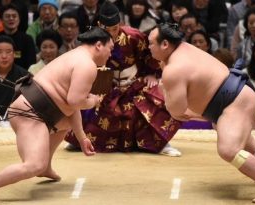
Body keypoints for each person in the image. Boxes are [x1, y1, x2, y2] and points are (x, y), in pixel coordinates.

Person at [0, 27, 113, 204]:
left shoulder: (75, 55)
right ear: (99, 45)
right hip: (29, 113)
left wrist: (82, 138)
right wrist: (93, 101)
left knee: (65, 123)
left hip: (40, 111)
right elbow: (75, 101)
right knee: (32, 165)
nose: (110, 54)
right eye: (110, 49)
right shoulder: (87, 65)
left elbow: (70, 108)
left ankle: (46, 167)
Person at [148, 23, 255, 203]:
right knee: (227, 126)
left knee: (228, 150)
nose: (148, 47)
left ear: (165, 44)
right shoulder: (185, 48)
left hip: (236, 101)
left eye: (151, 43)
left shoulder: (174, 69)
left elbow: (177, 110)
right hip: (236, 96)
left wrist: (165, 92)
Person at [65, 1, 181, 156]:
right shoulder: (93, 40)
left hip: (133, 81)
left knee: (156, 98)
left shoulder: (134, 36)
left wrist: (150, 73)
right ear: (99, 24)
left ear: (120, 23)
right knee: (94, 105)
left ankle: (160, 142)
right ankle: (81, 140)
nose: (112, 33)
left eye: (115, 28)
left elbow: (150, 54)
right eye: (108, 29)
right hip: (104, 81)